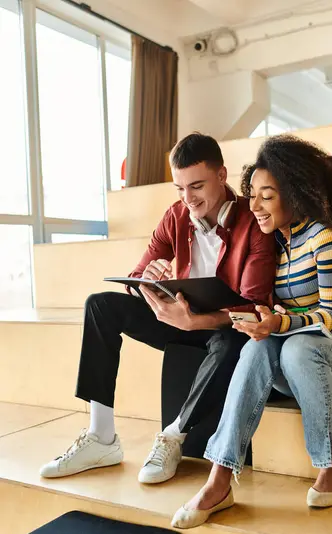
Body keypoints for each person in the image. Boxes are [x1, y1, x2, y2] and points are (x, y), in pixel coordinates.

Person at [171, 134, 332, 529]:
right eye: (251, 194)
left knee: (299, 347)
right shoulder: (277, 246)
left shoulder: (327, 241)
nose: (254, 206)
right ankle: (219, 478)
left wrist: (279, 322)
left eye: (266, 196)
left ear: (295, 194)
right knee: (257, 349)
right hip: (297, 361)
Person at [40, 132, 276, 482]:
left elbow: (253, 306)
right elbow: (139, 272)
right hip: (177, 318)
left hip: (223, 329)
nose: (188, 199)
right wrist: (146, 281)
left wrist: (196, 321)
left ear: (222, 176)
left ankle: (173, 436)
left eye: (196, 186)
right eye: (179, 189)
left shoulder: (253, 224)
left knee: (233, 342)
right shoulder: (177, 215)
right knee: (100, 306)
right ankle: (101, 436)